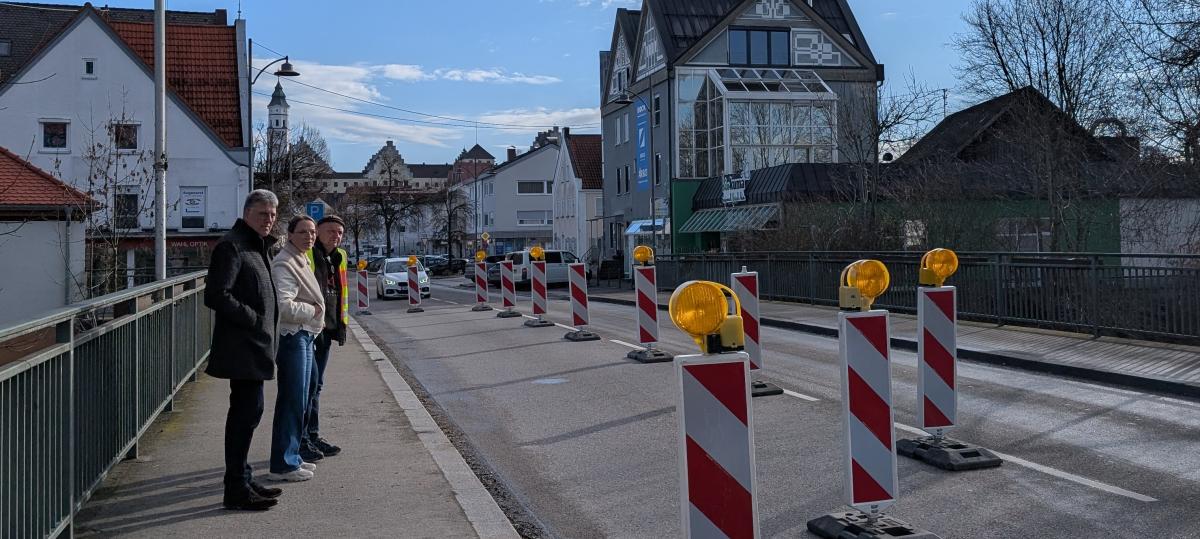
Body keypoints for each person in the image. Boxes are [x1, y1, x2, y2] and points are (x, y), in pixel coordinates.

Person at [204, 189, 282, 511]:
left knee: (250, 414)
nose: (269, 220)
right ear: (248, 213)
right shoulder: (232, 245)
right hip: (242, 348)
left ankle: (243, 479)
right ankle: (236, 488)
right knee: (244, 416)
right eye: (263, 214)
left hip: (255, 346)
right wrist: (253, 317)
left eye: (273, 215)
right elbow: (216, 295)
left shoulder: (255, 245)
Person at [267, 215, 325, 482]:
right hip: (293, 336)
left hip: (304, 336)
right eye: (303, 232)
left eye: (312, 232)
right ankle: (284, 464)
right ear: (290, 235)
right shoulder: (285, 262)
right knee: (292, 400)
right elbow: (285, 306)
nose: (309, 237)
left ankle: (293, 456)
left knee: (303, 396)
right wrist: (313, 311)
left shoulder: (300, 258)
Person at [302, 215, 348, 461]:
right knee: (309, 386)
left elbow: (341, 292)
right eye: (330, 231)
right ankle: (304, 439)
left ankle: (312, 435)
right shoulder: (309, 253)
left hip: (327, 328)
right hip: (309, 329)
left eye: (339, 232)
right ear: (317, 232)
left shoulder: (339, 256)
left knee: (316, 385)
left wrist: (341, 326)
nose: (335, 235)